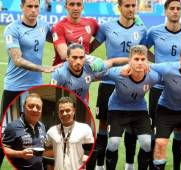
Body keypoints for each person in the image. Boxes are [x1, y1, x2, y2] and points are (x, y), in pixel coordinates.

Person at [90, 0, 147, 169]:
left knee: (132, 124)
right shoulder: (107, 27)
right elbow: (91, 47)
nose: (131, 9)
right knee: (103, 124)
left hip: (134, 83)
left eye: (133, 5)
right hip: (109, 82)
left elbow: (145, 55)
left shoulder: (141, 29)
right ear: (119, 7)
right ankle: (100, 165)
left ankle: (129, 164)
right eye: (127, 5)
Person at [0, 0, 57, 166]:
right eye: (29, 6)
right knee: (6, 133)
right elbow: (17, 59)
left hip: (34, 88)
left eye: (36, 6)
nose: (33, 10)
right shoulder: (13, 28)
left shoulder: (44, 26)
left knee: (33, 132)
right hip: (14, 87)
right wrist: (42, 68)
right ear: (21, 7)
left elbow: (59, 40)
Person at [146, 0, 181, 169]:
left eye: (178, 9)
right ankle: (154, 165)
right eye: (172, 8)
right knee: (154, 129)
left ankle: (177, 166)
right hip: (159, 87)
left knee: (180, 130)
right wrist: (158, 63)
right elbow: (143, 51)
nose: (175, 11)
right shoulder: (154, 32)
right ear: (165, 11)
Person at [104, 45, 160, 170]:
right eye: (136, 59)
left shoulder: (153, 76)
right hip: (117, 108)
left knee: (146, 143)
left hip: (139, 109)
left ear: (147, 61)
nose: (140, 62)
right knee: (113, 143)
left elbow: (170, 75)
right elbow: (97, 75)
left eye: (142, 59)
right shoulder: (118, 73)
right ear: (129, 61)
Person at [50, 43, 128, 102]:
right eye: (74, 57)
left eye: (81, 57)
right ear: (67, 58)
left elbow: (112, 62)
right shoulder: (59, 74)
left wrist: (132, 62)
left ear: (85, 57)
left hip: (83, 107)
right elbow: (50, 95)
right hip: (64, 109)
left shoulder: (91, 67)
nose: (78, 61)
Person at [44, 96, 94, 170]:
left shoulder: (85, 128)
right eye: (61, 111)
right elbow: (46, 151)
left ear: (74, 111)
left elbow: (91, 151)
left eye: (68, 110)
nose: (64, 114)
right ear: (58, 113)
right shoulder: (51, 131)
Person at [2, 93, 46, 170]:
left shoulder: (42, 126)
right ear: (24, 107)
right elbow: (4, 148)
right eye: (31, 106)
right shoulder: (13, 126)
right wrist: (20, 154)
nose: (35, 109)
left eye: (38, 107)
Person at [51, 0, 99, 66]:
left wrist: (89, 49)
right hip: (63, 71)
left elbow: (104, 35)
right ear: (66, 7)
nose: (75, 8)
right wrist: (90, 58)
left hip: (82, 69)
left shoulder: (91, 23)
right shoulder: (59, 27)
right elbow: (64, 55)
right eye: (72, 4)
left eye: (78, 4)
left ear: (82, 7)